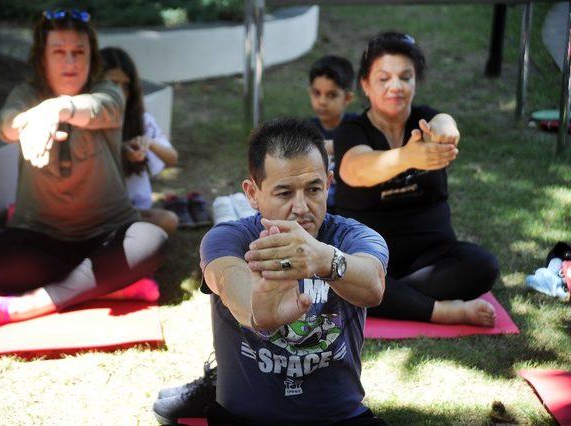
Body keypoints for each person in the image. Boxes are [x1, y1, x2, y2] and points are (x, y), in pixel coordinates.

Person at [155, 117, 389, 425]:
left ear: (329, 184)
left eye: (314, 189)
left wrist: (325, 260)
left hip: (339, 419)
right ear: (253, 193)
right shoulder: (227, 238)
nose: (302, 206)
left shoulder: (354, 237)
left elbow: (373, 286)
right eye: (284, 193)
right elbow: (228, 282)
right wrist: (258, 312)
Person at [0, 9, 167, 328]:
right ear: (42, 58)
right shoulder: (26, 94)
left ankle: (42, 300)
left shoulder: (107, 90)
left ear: (92, 57)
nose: (70, 62)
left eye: (79, 52)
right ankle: (102, 283)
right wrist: (27, 123)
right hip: (42, 239)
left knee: (152, 240)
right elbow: (5, 124)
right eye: (59, 52)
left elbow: (106, 109)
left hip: (108, 235)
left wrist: (57, 108)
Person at [334, 31, 499, 327]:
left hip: (430, 259)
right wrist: (407, 157)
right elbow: (355, 168)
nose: (395, 86)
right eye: (384, 78)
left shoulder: (426, 120)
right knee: (349, 276)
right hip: (369, 257)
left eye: (405, 77)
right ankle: (440, 310)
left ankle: (387, 298)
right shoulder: (352, 130)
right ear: (365, 85)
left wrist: (445, 131)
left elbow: (443, 122)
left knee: (483, 266)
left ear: (416, 82)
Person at [100, 46, 180, 235]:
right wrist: (120, 151)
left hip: (134, 212)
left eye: (125, 86)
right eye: (112, 83)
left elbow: (172, 158)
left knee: (168, 221)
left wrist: (148, 143)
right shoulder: (84, 121)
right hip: (98, 213)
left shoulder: (141, 121)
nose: (119, 92)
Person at [308, 55, 358, 212]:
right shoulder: (305, 130)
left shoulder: (359, 127)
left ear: (347, 98)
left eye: (331, 95)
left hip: (351, 205)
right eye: (317, 93)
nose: (322, 101)